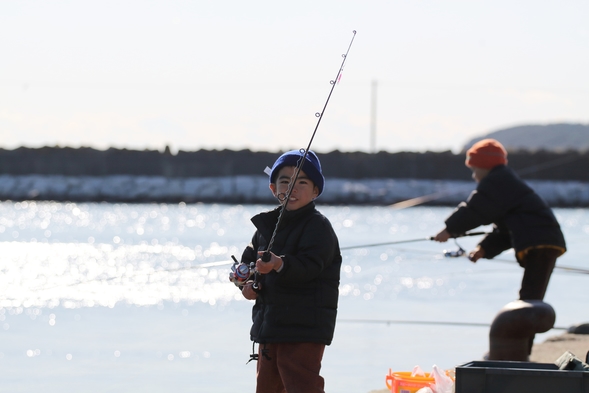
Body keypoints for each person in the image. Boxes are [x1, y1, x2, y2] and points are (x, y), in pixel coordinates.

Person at [433, 138, 566, 357]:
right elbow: (505, 229)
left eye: (474, 169)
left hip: (541, 241)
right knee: (530, 296)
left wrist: (449, 229)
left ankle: (518, 354)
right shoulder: (505, 183)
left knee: (530, 299)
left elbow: (475, 209)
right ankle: (520, 351)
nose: (473, 175)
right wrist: (484, 249)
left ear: (485, 166)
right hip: (542, 240)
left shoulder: (497, 182)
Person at [235, 149, 342, 393]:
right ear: (273, 189)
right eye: (285, 181)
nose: (292, 188)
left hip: (304, 327)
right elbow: (249, 262)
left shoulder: (319, 227)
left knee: (301, 384)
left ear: (315, 191)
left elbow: (311, 266)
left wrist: (278, 264)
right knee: (267, 386)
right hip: (270, 326)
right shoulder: (266, 227)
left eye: (302, 182)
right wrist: (245, 284)